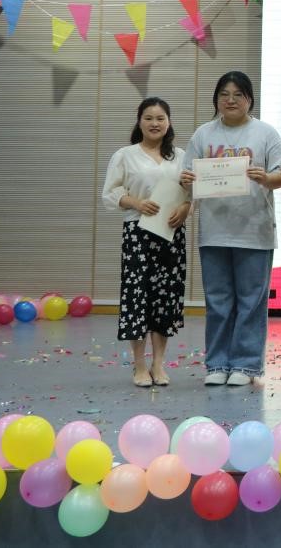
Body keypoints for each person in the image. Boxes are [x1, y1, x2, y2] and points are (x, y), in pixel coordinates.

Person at [182, 71, 281, 387]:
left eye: (237, 94)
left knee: (251, 302)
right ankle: (217, 364)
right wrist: (186, 180)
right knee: (217, 301)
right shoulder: (203, 135)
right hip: (214, 231)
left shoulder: (265, 133)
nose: (230, 100)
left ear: (249, 100)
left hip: (255, 231)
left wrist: (266, 178)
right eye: (224, 94)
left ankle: (246, 365)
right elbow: (187, 178)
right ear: (216, 100)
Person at [102, 97, 190, 387]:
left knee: (165, 298)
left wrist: (186, 208)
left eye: (160, 118)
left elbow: (192, 193)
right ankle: (139, 366)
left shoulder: (181, 156)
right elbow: (110, 193)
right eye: (149, 118)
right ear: (139, 122)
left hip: (171, 234)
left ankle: (158, 364)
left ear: (169, 122)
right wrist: (136, 203)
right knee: (137, 297)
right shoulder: (125, 155)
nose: (155, 123)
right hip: (137, 233)